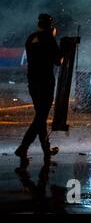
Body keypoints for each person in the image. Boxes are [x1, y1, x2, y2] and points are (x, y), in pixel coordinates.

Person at [15, 13, 63, 162]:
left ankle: (46, 149)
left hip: (33, 82)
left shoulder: (31, 38)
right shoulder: (48, 38)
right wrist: (62, 50)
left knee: (40, 117)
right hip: (46, 82)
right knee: (41, 117)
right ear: (50, 25)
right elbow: (58, 61)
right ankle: (23, 147)